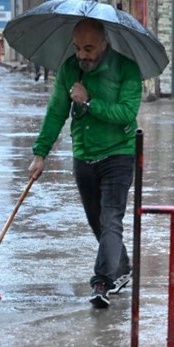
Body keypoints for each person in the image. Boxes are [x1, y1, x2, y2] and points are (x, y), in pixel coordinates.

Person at [28, 18, 142, 308]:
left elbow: (126, 114)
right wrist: (41, 153)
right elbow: (56, 112)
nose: (83, 55)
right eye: (78, 48)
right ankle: (122, 265)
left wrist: (89, 101)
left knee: (110, 218)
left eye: (89, 48)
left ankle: (102, 281)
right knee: (96, 222)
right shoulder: (69, 69)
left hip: (118, 153)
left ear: (104, 44)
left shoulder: (127, 69)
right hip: (84, 155)